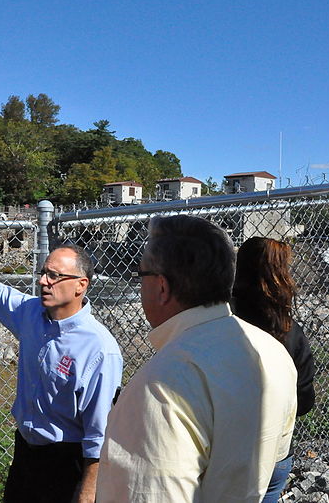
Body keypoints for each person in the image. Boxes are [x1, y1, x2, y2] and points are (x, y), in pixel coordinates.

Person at [97, 215, 297, 502]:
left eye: (141, 275)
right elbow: (274, 459)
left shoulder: (163, 386)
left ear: (162, 287)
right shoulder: (271, 351)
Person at [0, 244, 123, 503]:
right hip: (26, 455)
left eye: (54, 275)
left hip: (67, 462)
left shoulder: (98, 349)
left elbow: (99, 431)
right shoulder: (32, 314)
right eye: (43, 273)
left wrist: (87, 491)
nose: (43, 281)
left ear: (81, 285)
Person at [233, 236, 315, 503]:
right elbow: (304, 402)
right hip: (277, 454)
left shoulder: (223, 322)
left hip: (229, 452)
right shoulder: (292, 333)